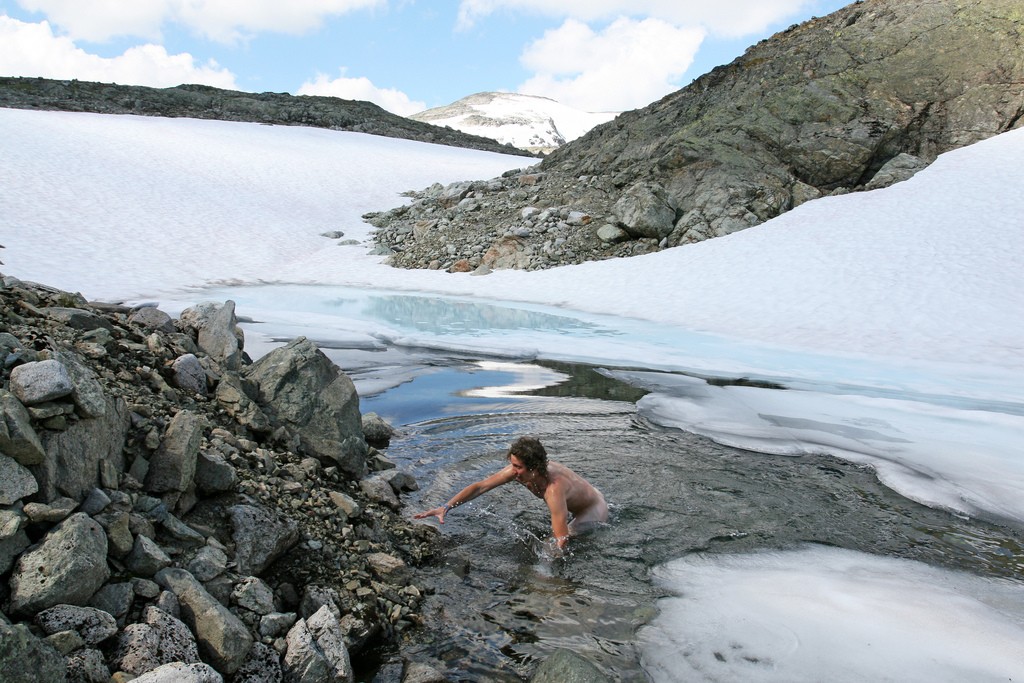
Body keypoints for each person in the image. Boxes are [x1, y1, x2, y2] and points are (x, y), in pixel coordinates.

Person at [413, 436, 608, 549]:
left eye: (518, 466)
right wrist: (446, 507)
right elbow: (481, 487)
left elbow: (561, 539)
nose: (512, 471)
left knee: (551, 543)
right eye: (512, 464)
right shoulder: (518, 471)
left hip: (593, 509)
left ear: (535, 468)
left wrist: (548, 568)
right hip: (579, 498)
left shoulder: (553, 489)